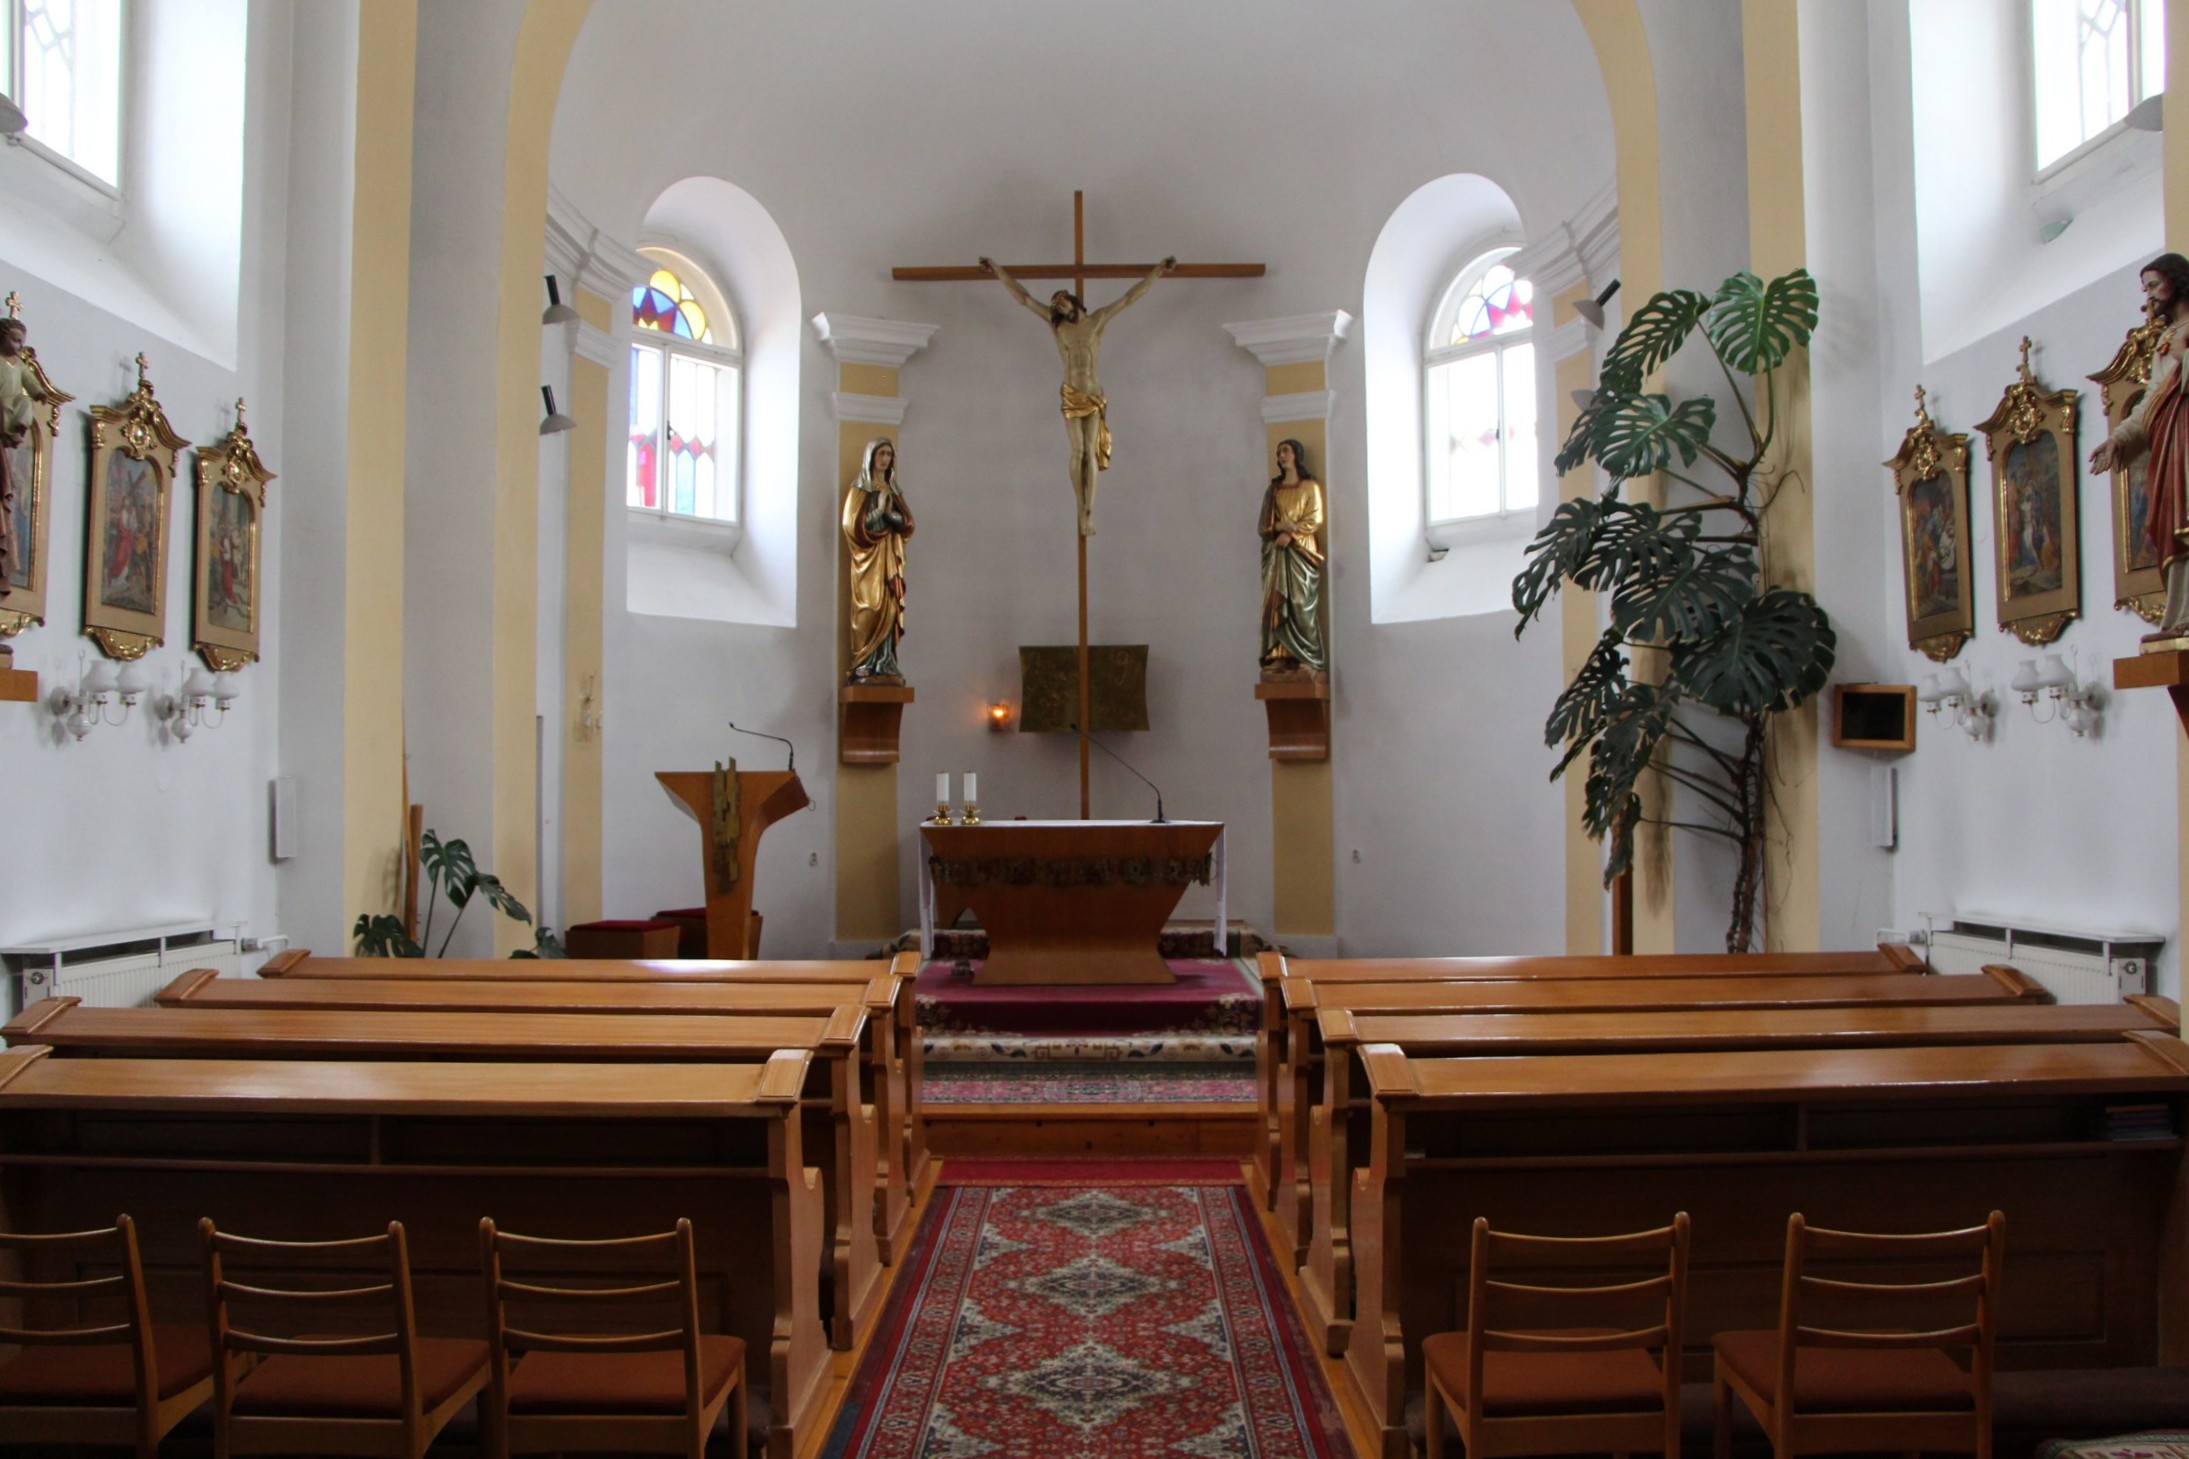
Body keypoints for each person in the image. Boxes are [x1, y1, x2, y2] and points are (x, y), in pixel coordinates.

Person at [979, 253, 1176, 536]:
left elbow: (1129, 298)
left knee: (1091, 453)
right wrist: (998, 270)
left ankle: (1089, 510)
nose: (1058, 307)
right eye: (1055, 305)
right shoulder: (1058, 326)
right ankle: (1079, 504)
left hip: (1093, 393)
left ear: (1073, 301)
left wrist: (1157, 271)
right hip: (1072, 393)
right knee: (1078, 450)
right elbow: (1024, 298)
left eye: (1061, 302)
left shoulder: (1097, 320)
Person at [2092, 252, 2189, 639]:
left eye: (2153, 285)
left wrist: (2186, 357)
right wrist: (2118, 438)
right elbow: (2151, 400)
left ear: (2176, 281)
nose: (2148, 295)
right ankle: (2181, 615)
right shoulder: (2165, 339)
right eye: (2145, 288)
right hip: (2171, 444)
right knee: (2172, 523)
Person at [841, 437, 915, 683]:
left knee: (889, 607)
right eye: (881, 454)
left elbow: (907, 524)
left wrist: (889, 514)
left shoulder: (893, 490)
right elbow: (852, 525)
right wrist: (879, 511)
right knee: (870, 607)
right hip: (867, 559)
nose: (885, 459)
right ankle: (863, 662)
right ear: (871, 457)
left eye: (888, 454)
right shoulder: (860, 489)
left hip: (889, 558)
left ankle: (885, 662)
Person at [1258, 437, 1327, 677]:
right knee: (1277, 603)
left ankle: (1307, 657)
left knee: (1299, 603)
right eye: (1279, 452)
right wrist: (1279, 528)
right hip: (1277, 552)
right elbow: (1263, 525)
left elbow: (1315, 518)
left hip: (1301, 550)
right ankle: (1279, 656)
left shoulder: (1310, 487)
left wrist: (1291, 534)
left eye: (1286, 451)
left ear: (1296, 455)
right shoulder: (1273, 490)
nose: (1281, 456)